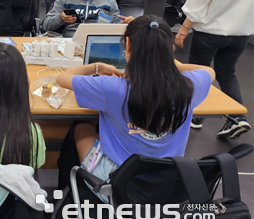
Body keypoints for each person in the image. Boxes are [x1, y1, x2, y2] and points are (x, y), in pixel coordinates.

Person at [56, 16, 214, 200]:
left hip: (117, 186)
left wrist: (96, 66)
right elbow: (209, 71)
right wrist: (167, 65)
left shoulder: (113, 87)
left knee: (81, 127)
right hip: (167, 186)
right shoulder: (190, 87)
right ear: (169, 50)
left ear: (128, 44)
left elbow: (62, 79)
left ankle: (67, 194)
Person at [175, 0, 253, 138]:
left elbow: (198, 3)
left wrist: (183, 29)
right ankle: (237, 117)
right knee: (227, 73)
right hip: (240, 33)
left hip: (210, 32)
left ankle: (196, 116)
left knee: (199, 72)